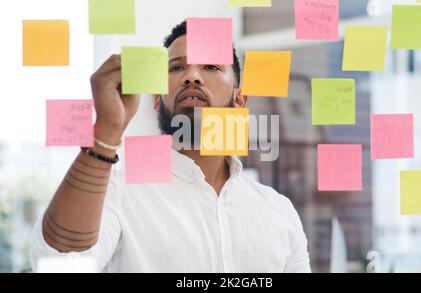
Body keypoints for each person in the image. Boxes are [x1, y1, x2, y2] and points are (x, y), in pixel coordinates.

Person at [30, 20, 311, 273]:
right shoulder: (115, 186)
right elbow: (59, 264)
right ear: (157, 100)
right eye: (176, 67)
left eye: (211, 66)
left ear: (240, 100)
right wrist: (106, 129)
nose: (192, 77)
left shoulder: (278, 211)